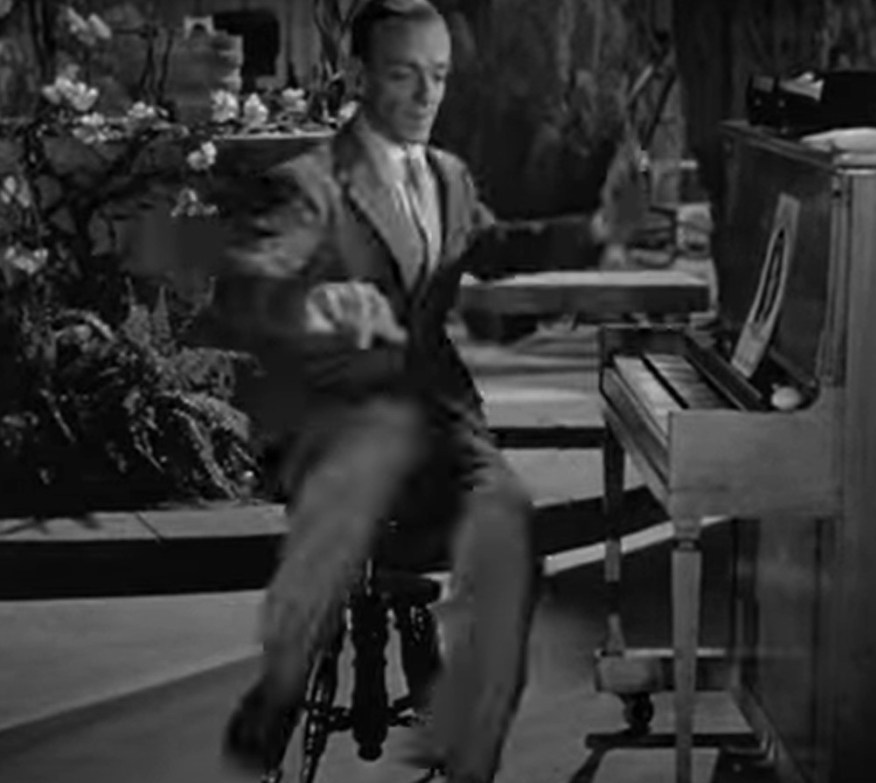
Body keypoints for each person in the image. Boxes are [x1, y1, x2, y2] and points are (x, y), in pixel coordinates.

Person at [214, 1, 648, 780]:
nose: (425, 96)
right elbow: (247, 287)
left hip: (442, 421)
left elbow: (496, 246)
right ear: (358, 76)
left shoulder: (448, 178)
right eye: (403, 74)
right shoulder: (308, 186)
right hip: (340, 421)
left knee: (510, 523)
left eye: (438, 76)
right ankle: (276, 700)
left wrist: (596, 230)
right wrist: (316, 304)